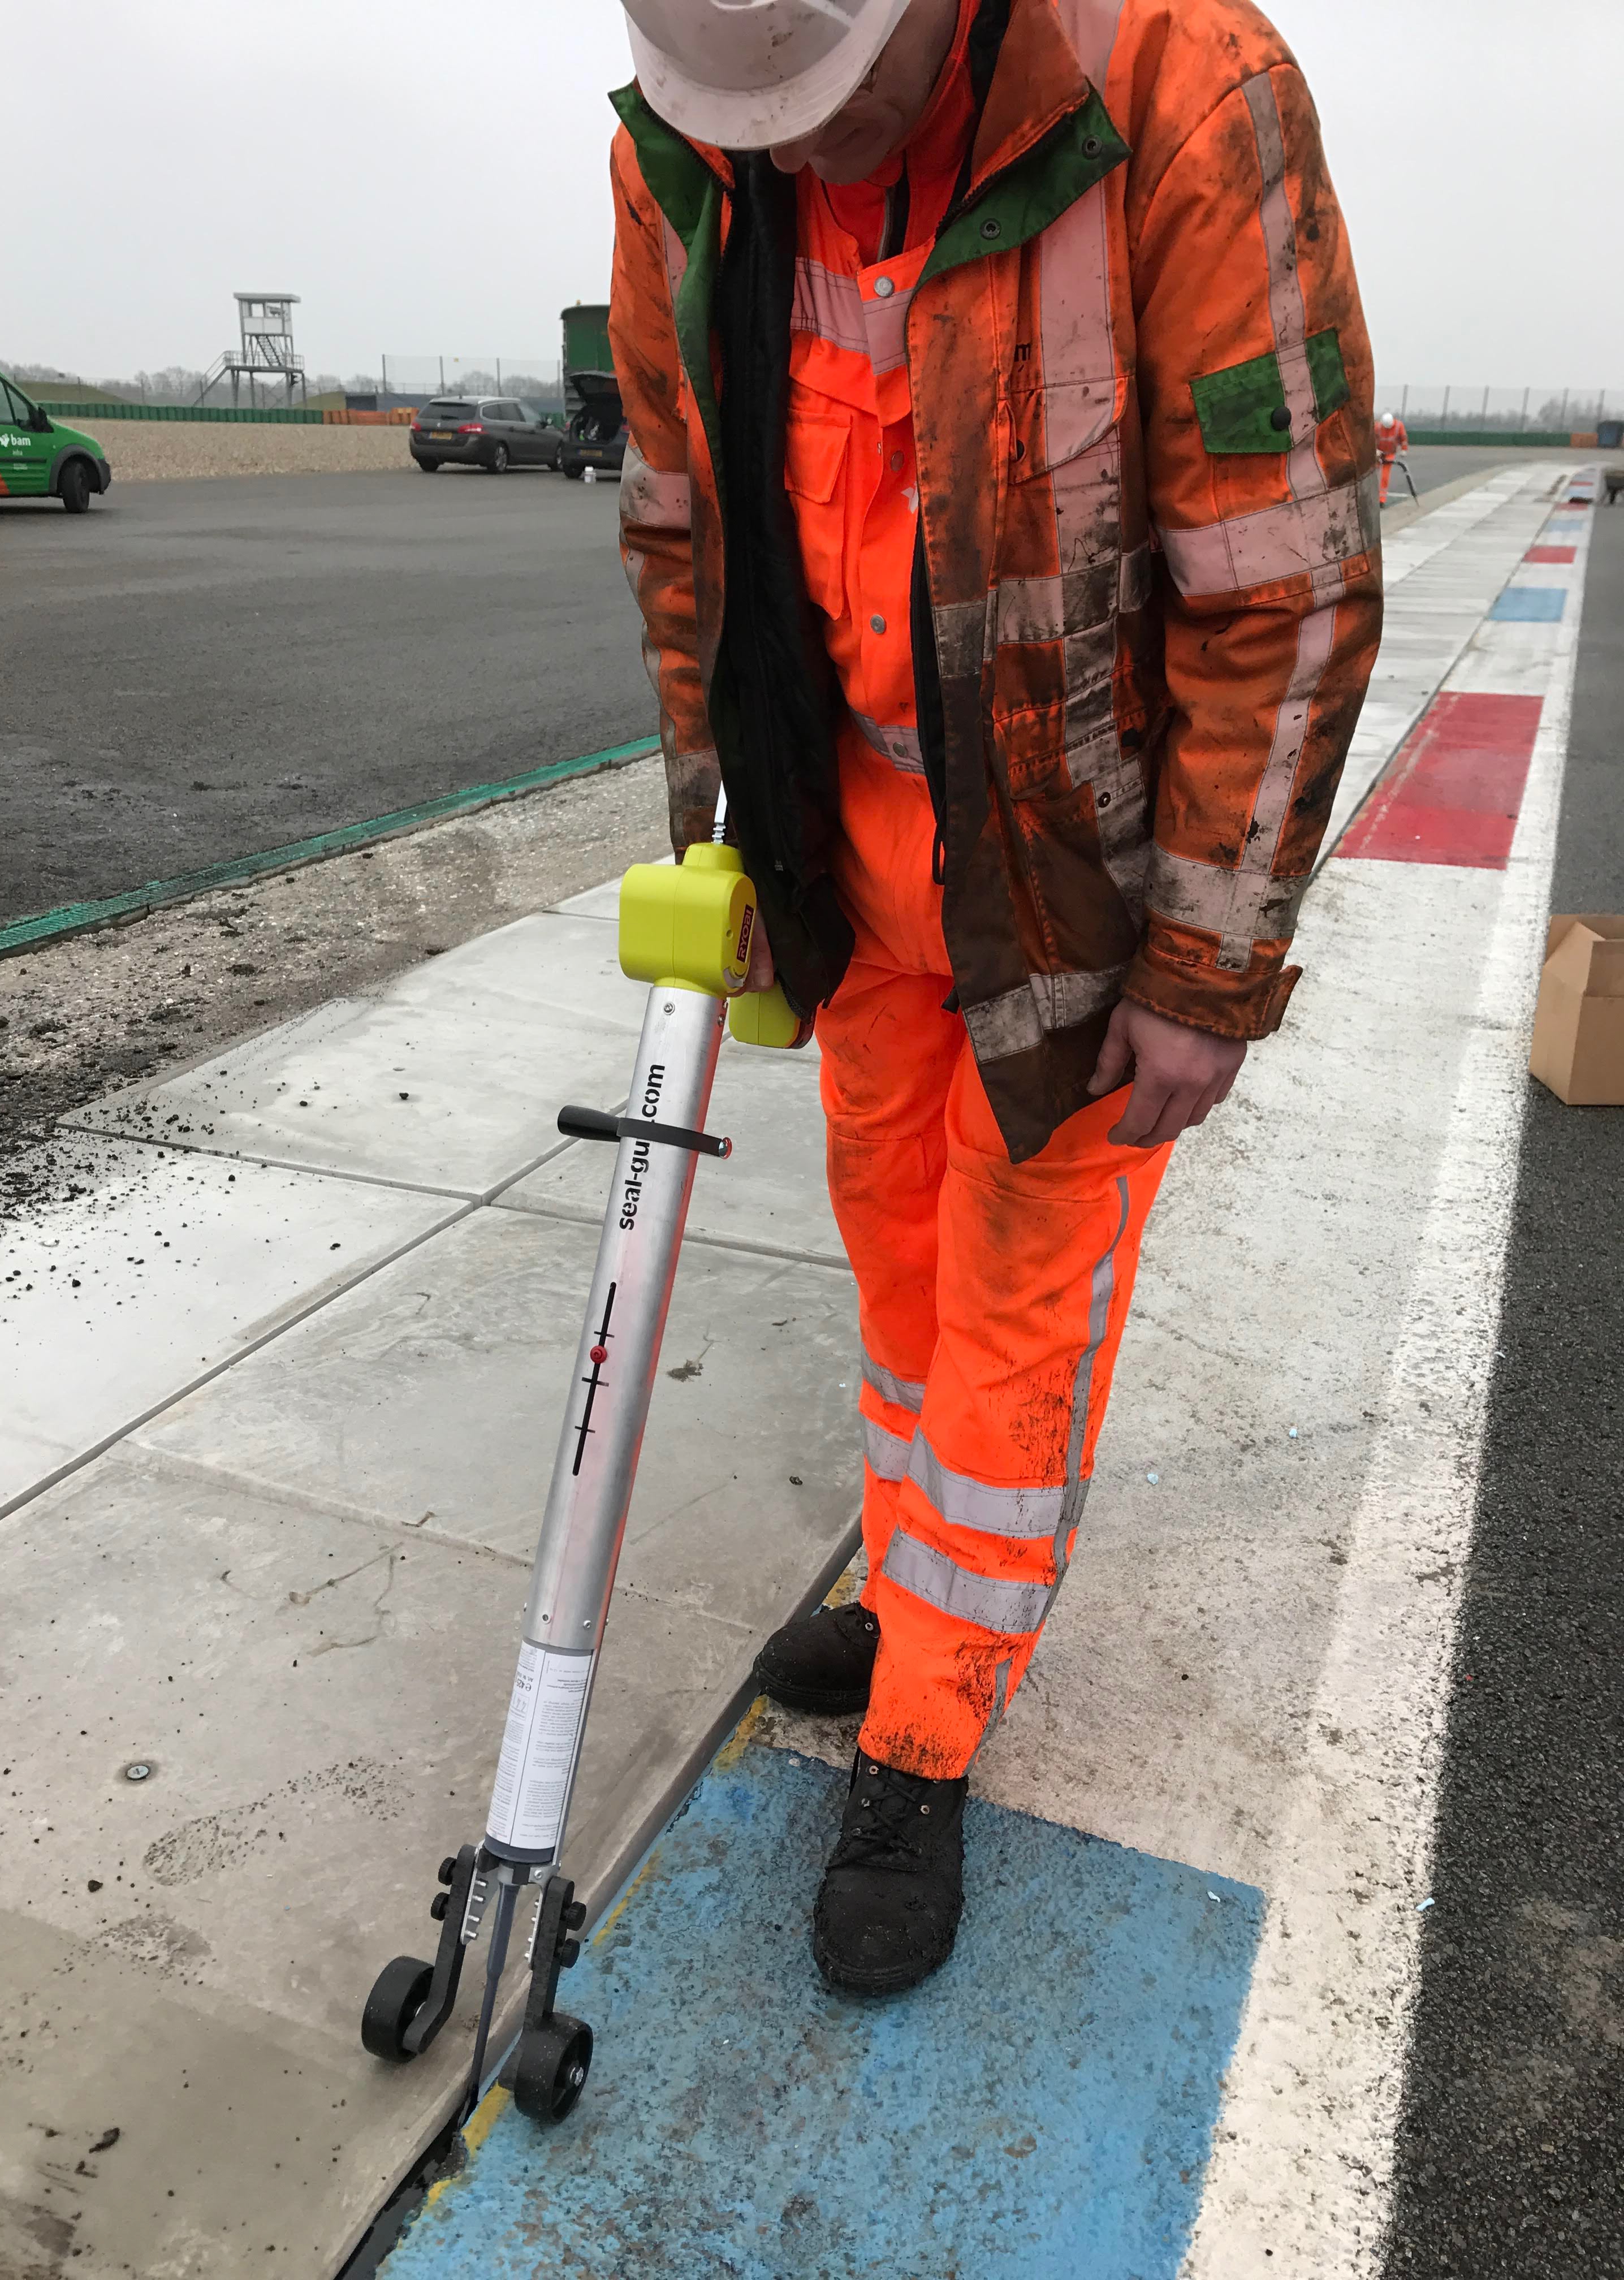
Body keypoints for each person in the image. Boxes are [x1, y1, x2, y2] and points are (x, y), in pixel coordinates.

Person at [609, 0, 1383, 1994]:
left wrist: (1210, 965)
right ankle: (910, 1593)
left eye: (832, 111)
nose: (800, 160)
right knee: (896, 1271)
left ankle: (930, 1724)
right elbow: (683, 522)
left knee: (1018, 1299)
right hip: (848, 852)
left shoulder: (1176, 93)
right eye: (755, 126)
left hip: (1071, 886)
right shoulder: (691, 145)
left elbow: (1279, 576)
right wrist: (729, 839)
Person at [1376, 405, 1410, 503]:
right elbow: (1370, 440)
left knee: (1385, 477)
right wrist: (1374, 450)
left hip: (1390, 453)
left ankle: (1382, 500)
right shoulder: (1377, 427)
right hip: (1378, 454)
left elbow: (1403, 438)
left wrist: (1404, 450)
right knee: (1372, 475)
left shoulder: (1399, 426)